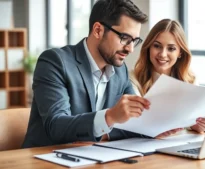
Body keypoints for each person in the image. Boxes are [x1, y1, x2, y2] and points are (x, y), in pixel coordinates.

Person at [22, 0, 152, 148]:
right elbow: (56, 126)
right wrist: (110, 117)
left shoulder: (120, 70)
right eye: (124, 38)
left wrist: (154, 129)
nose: (130, 49)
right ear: (98, 30)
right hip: (44, 158)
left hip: (93, 157)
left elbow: (134, 124)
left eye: (134, 41)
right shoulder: (55, 62)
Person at [131, 19, 205, 134]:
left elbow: (194, 120)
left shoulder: (191, 80)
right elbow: (137, 123)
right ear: (148, 47)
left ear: (180, 53)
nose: (163, 54)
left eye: (171, 48)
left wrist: (198, 125)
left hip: (182, 144)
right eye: (157, 46)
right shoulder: (133, 78)